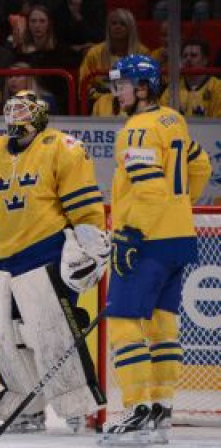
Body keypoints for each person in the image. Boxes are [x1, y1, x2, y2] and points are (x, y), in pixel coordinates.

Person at [0, 90, 109, 434]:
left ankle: (77, 406)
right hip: (2, 259)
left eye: (24, 110)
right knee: (7, 337)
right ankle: (28, 407)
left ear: (41, 115)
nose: (16, 116)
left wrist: (92, 244)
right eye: (11, 109)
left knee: (52, 333)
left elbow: (84, 206)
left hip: (46, 253)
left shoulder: (62, 147)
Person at [99, 54, 211, 445]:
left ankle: (136, 410)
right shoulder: (172, 120)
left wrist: (131, 232)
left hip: (146, 241)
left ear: (142, 88)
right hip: (180, 238)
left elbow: (149, 189)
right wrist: (180, 206)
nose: (117, 91)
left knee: (125, 324)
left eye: (123, 84)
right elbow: (201, 167)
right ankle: (161, 410)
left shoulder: (137, 131)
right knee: (163, 326)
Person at [78, 8, 148, 108]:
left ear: (131, 28)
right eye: (113, 23)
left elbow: (147, 85)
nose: (117, 27)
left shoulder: (143, 53)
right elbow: (84, 85)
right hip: (101, 101)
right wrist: (103, 97)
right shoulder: (95, 53)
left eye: (122, 24)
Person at [159, 39, 221, 118]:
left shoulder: (217, 87)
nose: (188, 59)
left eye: (193, 55)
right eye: (185, 56)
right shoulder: (172, 89)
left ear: (205, 60)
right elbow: (162, 117)